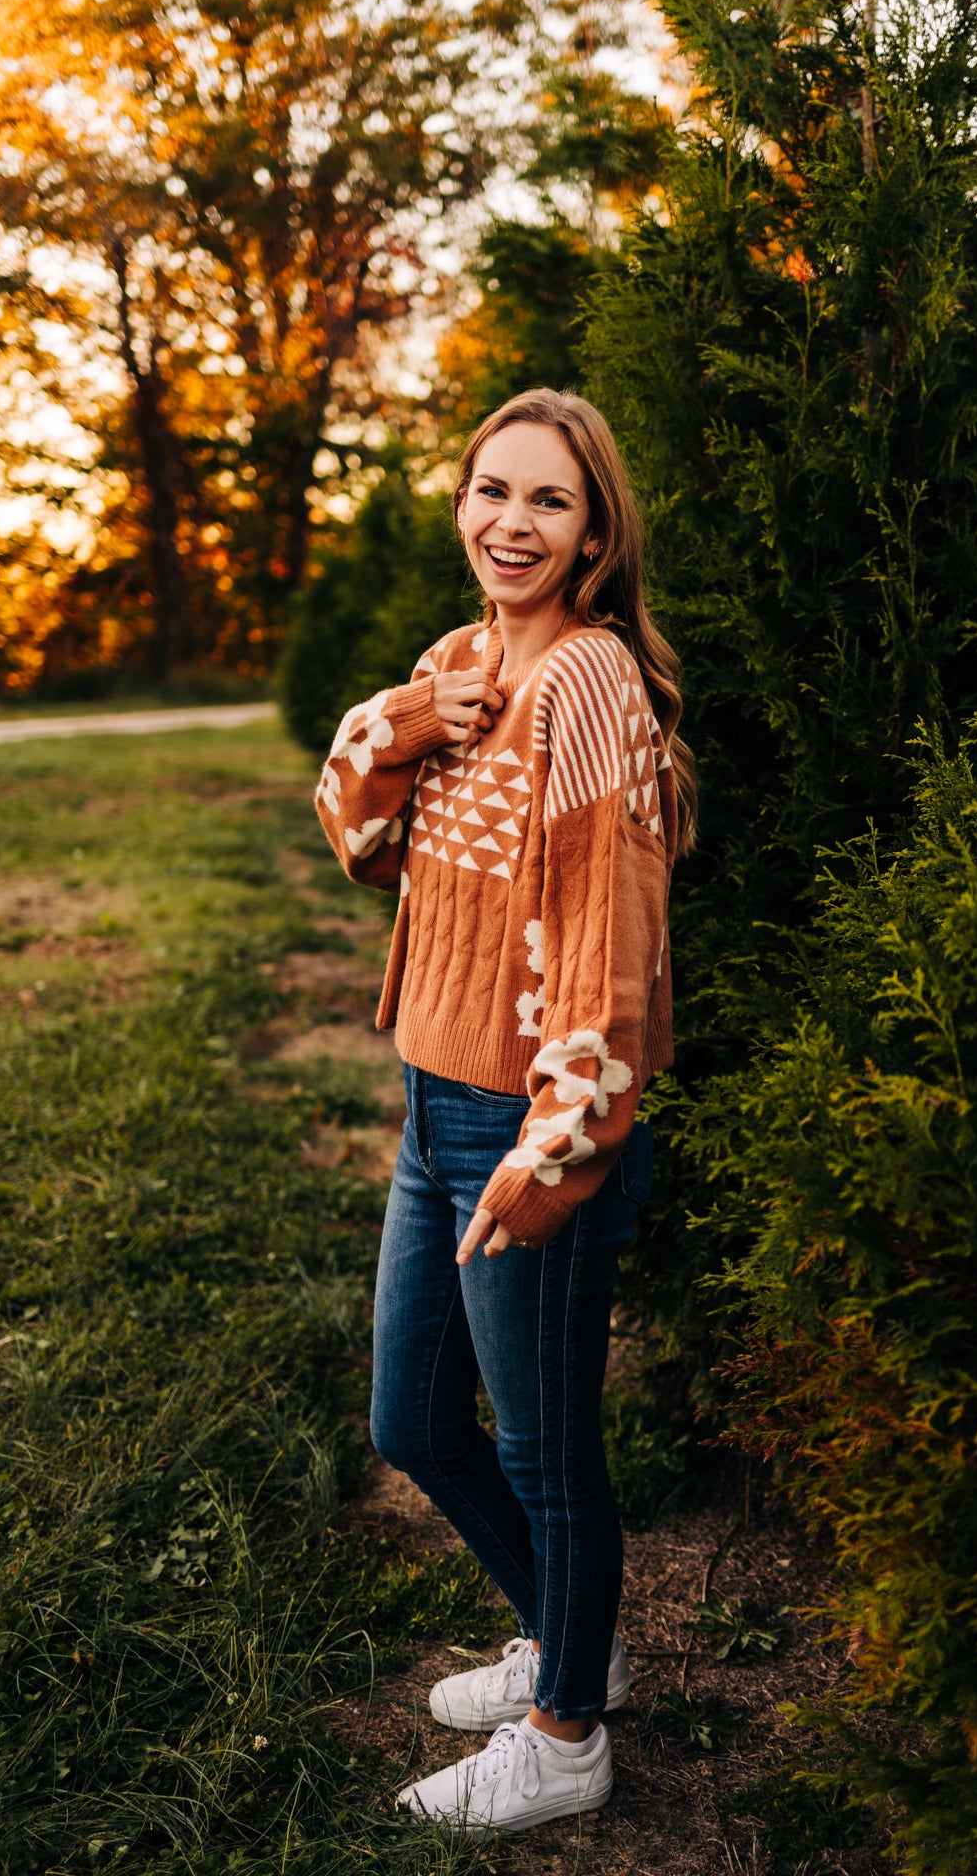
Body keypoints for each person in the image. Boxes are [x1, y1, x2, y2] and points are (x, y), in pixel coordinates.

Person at [314, 388, 695, 1834]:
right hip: (434, 1101)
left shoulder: (588, 682)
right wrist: (415, 716)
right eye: (491, 490)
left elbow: (612, 932)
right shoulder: (456, 662)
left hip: (522, 1120)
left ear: (594, 533)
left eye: (547, 500)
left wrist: (563, 1143)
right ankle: (565, 1633)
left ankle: (569, 1727)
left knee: (544, 1448)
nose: (510, 523)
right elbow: (356, 833)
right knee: (411, 1417)